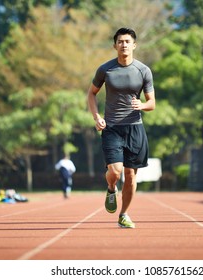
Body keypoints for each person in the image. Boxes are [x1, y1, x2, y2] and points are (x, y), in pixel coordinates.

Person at [87, 27, 156, 228]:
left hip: (135, 128)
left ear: (134, 45)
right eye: (120, 41)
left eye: (127, 41)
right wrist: (96, 116)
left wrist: (141, 105)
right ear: (115, 45)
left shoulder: (143, 70)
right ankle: (110, 187)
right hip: (112, 127)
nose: (124, 44)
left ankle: (124, 214)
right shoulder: (105, 70)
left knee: (130, 175)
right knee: (116, 172)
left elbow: (152, 103)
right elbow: (91, 93)